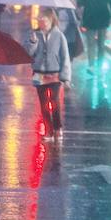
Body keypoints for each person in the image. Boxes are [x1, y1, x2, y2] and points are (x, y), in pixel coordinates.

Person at [27, 8, 72, 138]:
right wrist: (33, 42)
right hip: (39, 74)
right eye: (40, 19)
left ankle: (58, 128)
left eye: (45, 19)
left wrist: (66, 77)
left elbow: (65, 57)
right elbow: (28, 54)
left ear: (51, 20)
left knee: (54, 101)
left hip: (55, 74)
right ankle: (48, 130)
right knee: (43, 103)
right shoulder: (34, 34)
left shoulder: (59, 35)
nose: (43, 22)